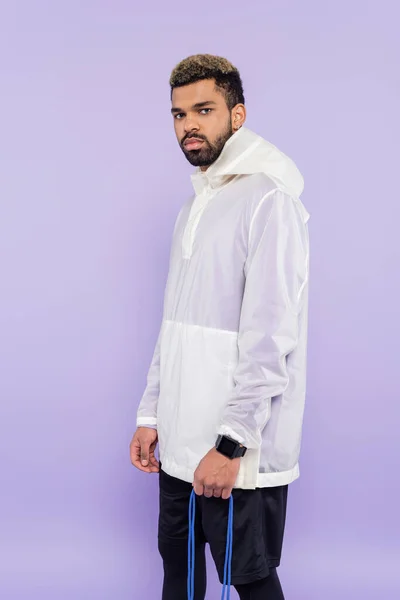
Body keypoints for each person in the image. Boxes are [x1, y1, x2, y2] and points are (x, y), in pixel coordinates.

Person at [130, 54, 310, 600]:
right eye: (179, 114)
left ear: (237, 115)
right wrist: (150, 412)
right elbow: (175, 324)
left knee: (251, 580)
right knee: (179, 571)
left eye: (203, 110)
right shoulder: (197, 205)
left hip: (236, 451)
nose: (188, 125)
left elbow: (271, 336)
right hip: (180, 443)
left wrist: (230, 446)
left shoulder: (269, 201)